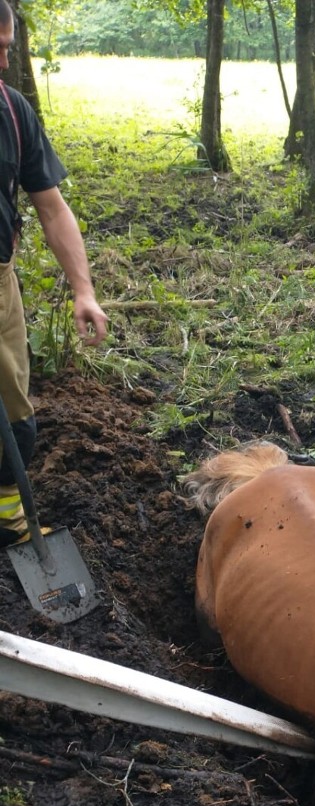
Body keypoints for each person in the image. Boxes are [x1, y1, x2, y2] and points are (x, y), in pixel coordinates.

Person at [0, 0, 107, 547]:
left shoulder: (13, 111)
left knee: (16, 419)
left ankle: (8, 524)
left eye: (4, 50)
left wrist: (83, 291)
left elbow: (52, 206)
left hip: (0, 284)